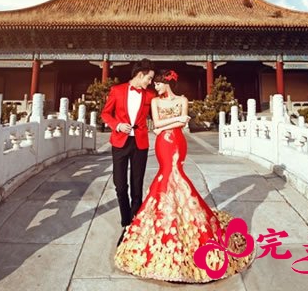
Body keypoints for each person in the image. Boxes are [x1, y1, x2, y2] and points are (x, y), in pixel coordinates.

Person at [114, 69, 253, 282]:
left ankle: (184, 216)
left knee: (177, 174)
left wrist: (175, 121)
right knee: (166, 175)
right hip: (163, 144)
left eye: (158, 83)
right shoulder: (156, 102)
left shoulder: (182, 100)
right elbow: (157, 125)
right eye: (154, 83)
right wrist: (177, 118)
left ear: (167, 83)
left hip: (178, 142)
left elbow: (181, 125)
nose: (155, 87)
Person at [101, 58, 156, 245]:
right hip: (120, 141)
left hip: (140, 143)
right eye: (149, 78)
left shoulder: (150, 95)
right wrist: (117, 125)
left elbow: (159, 113)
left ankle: (132, 226)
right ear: (140, 75)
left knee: (137, 185)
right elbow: (105, 113)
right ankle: (125, 220)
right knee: (120, 185)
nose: (150, 82)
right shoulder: (117, 90)